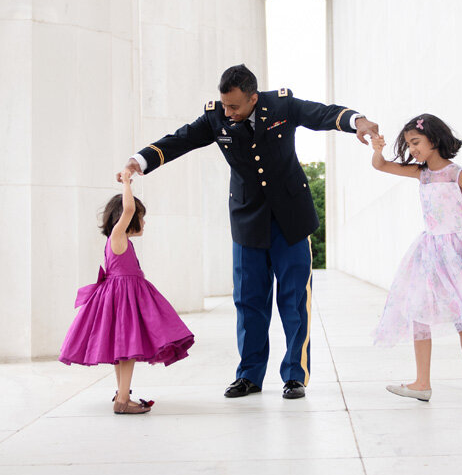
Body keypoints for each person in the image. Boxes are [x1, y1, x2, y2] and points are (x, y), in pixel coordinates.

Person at [120, 64, 379, 399]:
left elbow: (322, 114)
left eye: (235, 107)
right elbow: (179, 140)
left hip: (291, 219)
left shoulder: (282, 107)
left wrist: (356, 121)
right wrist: (138, 161)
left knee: (294, 299)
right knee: (249, 301)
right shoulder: (216, 118)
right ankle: (249, 376)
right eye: (225, 105)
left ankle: (295, 375)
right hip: (247, 221)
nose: (228, 113)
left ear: (254, 98)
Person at [369, 113, 462, 402]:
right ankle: (422, 383)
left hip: (458, 251)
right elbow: (381, 166)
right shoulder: (421, 173)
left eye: (416, 142)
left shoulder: (455, 174)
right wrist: (377, 148)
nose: (412, 149)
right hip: (429, 252)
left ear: (434, 140)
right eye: (408, 144)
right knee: (419, 314)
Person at [59, 173, 195, 414]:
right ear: (125, 218)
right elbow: (129, 208)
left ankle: (122, 394)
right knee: (128, 348)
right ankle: (123, 400)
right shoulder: (118, 236)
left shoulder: (122, 241)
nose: (143, 221)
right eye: (141, 217)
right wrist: (127, 184)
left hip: (122, 298)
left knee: (122, 351)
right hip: (123, 300)